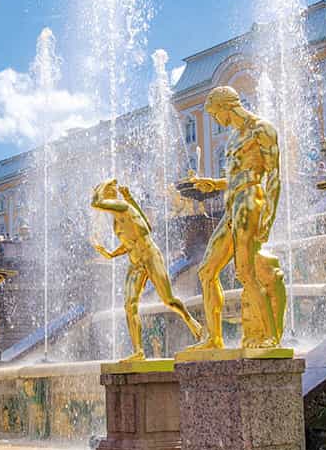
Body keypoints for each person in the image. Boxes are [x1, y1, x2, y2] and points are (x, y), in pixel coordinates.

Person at [183, 86, 287, 350]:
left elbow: (273, 175)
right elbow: (234, 178)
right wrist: (213, 184)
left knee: (245, 271)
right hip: (232, 205)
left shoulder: (261, 129)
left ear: (226, 106)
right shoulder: (232, 139)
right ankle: (213, 338)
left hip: (251, 201)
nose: (216, 120)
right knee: (207, 270)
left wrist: (270, 215)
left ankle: (271, 336)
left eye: (215, 114)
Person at [91, 179, 203, 361]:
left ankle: (192, 322)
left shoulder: (120, 206)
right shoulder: (119, 215)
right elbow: (134, 237)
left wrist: (103, 186)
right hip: (135, 263)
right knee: (129, 305)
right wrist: (111, 254)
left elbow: (95, 203)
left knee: (169, 300)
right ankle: (138, 352)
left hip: (150, 256)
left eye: (108, 192)